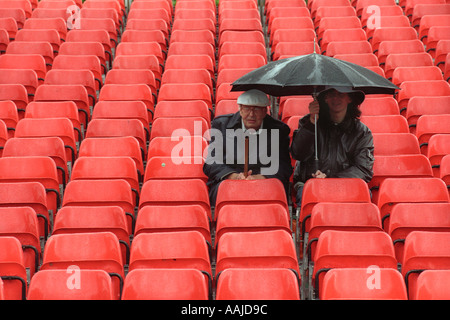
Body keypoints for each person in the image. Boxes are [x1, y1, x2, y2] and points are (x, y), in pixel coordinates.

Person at [203, 89, 293, 207]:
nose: (251, 114)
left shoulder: (279, 129)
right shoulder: (221, 125)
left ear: (265, 111)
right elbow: (212, 163)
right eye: (247, 108)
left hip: (264, 182)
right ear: (240, 109)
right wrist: (234, 176)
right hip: (230, 180)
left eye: (256, 109)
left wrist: (259, 177)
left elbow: (283, 165)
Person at [290, 86, 374, 207]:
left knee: (364, 196)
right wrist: (311, 124)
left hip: (346, 187)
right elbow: (298, 153)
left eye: (341, 94)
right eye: (331, 95)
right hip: (311, 185)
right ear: (325, 99)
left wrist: (331, 179)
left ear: (349, 99)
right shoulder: (308, 123)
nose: (336, 98)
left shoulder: (362, 132)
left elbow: (362, 169)